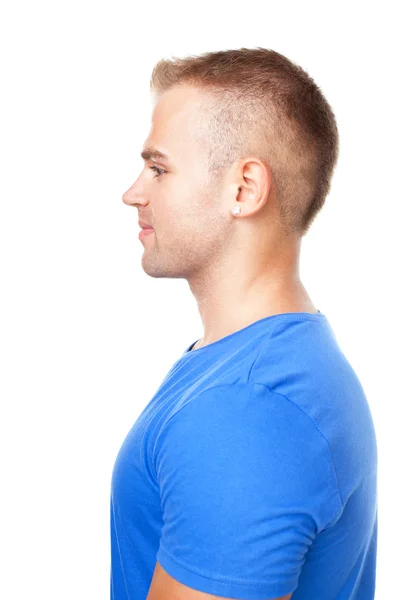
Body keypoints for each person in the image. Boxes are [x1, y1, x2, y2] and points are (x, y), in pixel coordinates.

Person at [110, 47, 378, 600]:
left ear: (244, 189)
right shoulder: (263, 362)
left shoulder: (247, 409)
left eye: (159, 168)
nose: (133, 193)